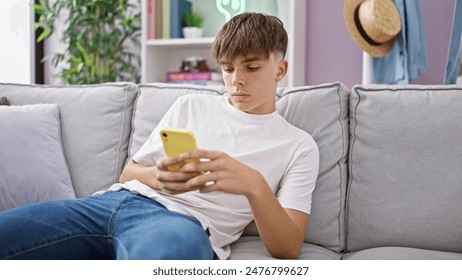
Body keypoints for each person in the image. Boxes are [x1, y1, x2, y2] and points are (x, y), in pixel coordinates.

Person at [0, 12, 319, 260]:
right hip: (110, 203)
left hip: (182, 222)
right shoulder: (191, 105)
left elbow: (288, 247)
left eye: (251, 68)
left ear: (280, 70)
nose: (236, 81)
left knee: (163, 258)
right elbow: (129, 173)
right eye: (227, 68)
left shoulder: (298, 146)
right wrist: (159, 176)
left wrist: (254, 185)